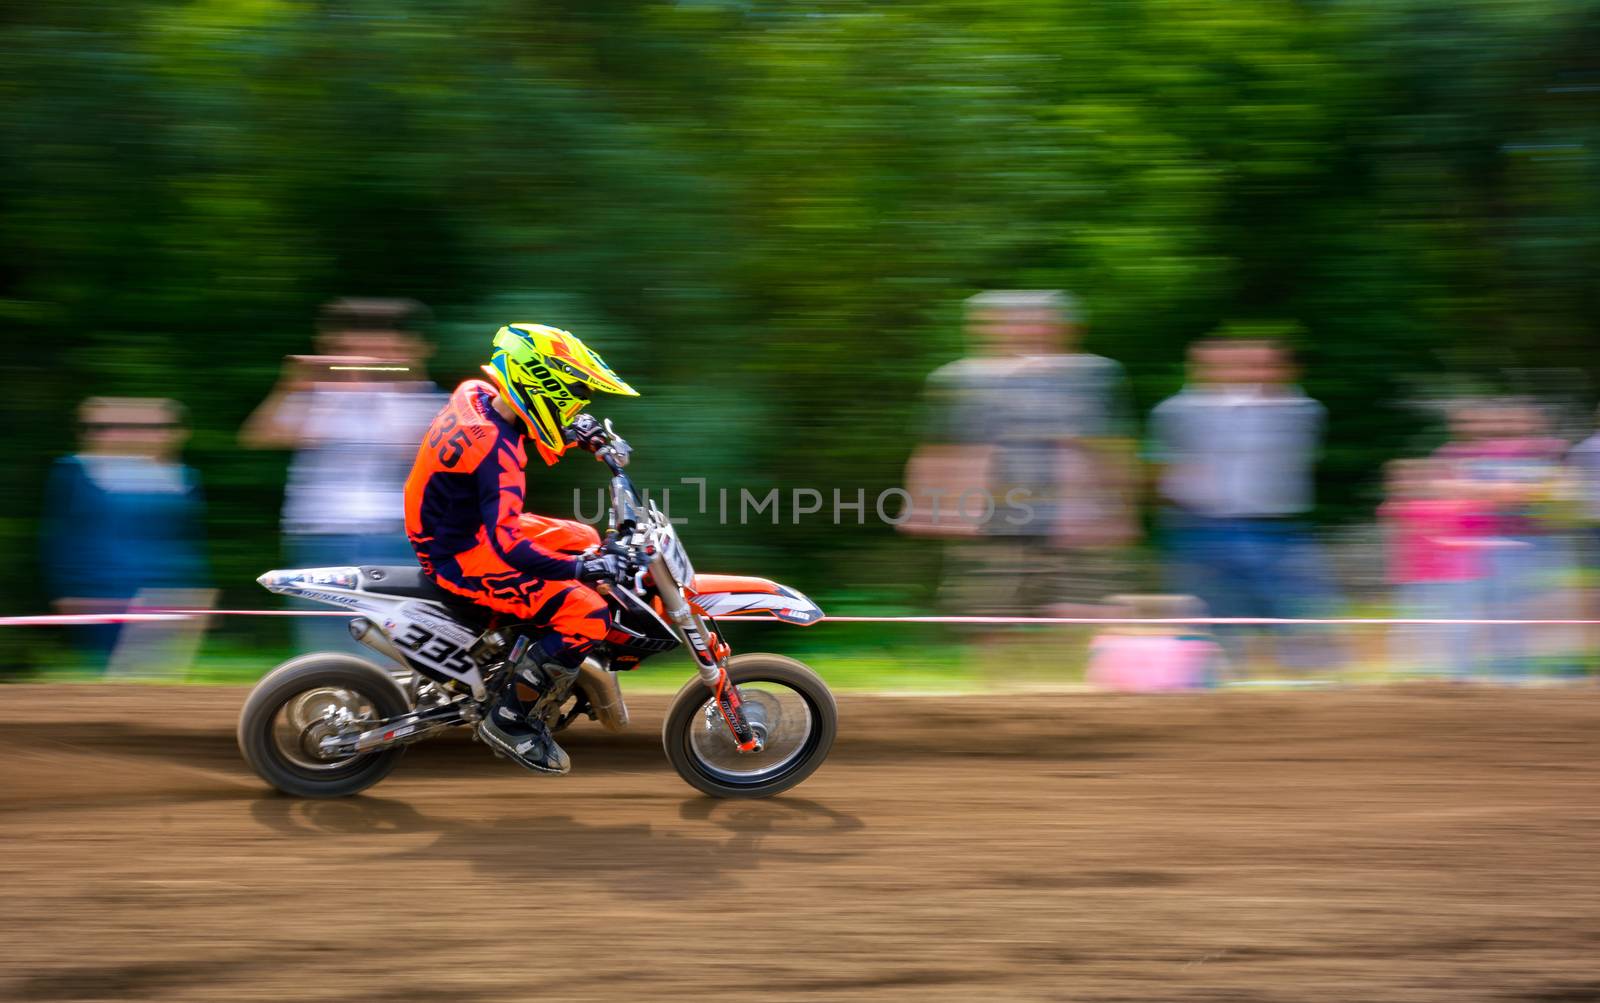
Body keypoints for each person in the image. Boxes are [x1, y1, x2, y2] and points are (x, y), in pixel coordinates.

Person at [405, 323, 638, 775]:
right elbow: (509, 546)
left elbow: (521, 423)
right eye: (570, 391)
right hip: (459, 554)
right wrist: (580, 572)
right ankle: (510, 718)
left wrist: (573, 432)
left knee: (585, 537)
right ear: (539, 382)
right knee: (587, 612)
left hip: (455, 524)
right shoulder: (498, 452)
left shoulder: (475, 394)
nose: (575, 401)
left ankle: (529, 650)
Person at [901, 290, 1136, 620]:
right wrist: (927, 507)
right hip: (991, 517)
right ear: (985, 327)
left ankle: (1061, 671)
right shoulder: (959, 378)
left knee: (1079, 613)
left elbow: (1115, 447)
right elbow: (937, 448)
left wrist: (1120, 512)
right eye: (1012, 322)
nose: (1026, 330)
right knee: (988, 614)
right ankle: (1001, 672)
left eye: (1038, 321)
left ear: (1063, 326)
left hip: (1076, 516)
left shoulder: (1093, 375)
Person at [242, 299, 445, 654]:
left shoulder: (428, 400)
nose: (367, 361)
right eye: (354, 350)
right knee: (323, 650)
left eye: (382, 352)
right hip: (321, 533)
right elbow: (261, 435)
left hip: (395, 535)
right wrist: (291, 385)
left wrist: (398, 383)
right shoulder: (316, 395)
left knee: (395, 647)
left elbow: (415, 449)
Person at [1149, 333, 1334, 673]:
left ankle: (1314, 679)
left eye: (1264, 364)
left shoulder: (1299, 408)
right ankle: (1214, 678)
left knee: (1299, 607)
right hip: (1201, 524)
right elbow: (1165, 465)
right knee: (1210, 612)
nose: (1252, 371)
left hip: (1276, 527)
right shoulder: (1177, 409)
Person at [43, 397, 214, 672]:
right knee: (112, 682)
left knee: (159, 681)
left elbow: (189, 540)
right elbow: (63, 539)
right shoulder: (75, 471)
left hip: (170, 595)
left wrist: (199, 593)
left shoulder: (183, 476)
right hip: (103, 594)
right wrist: (70, 591)